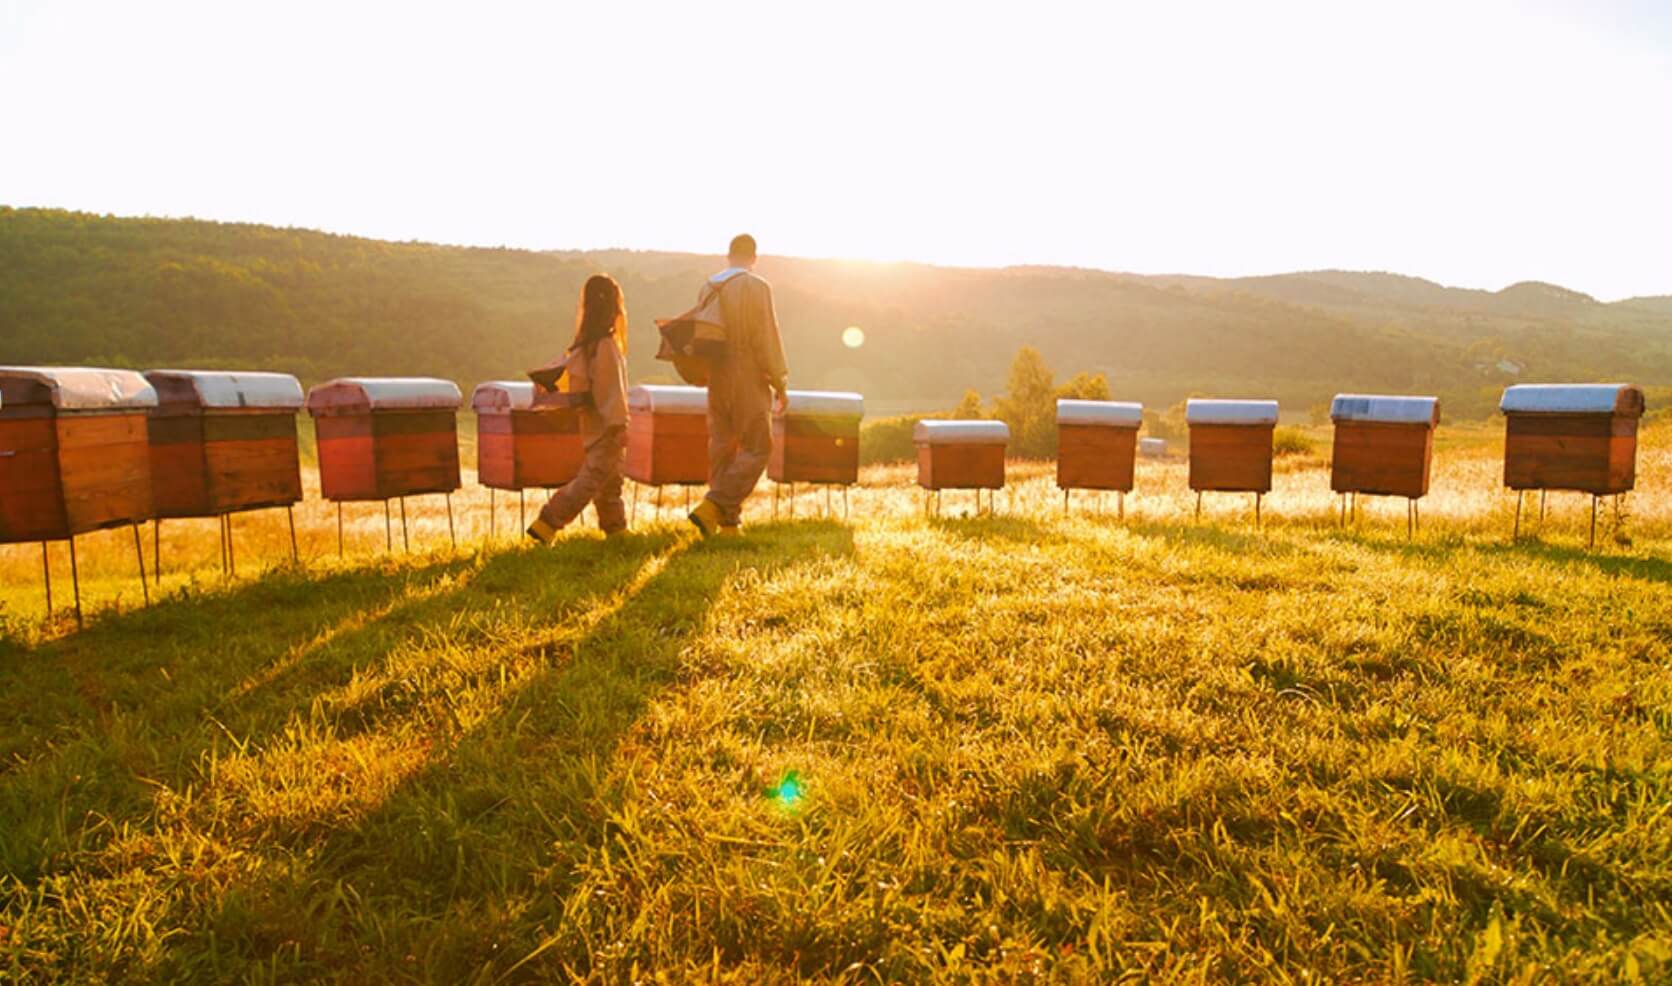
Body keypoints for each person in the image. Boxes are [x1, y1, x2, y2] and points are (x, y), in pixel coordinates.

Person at [688, 234, 788, 536]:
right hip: (747, 372)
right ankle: (713, 505)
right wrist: (779, 380)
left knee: (722, 447)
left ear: (728, 254)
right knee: (758, 447)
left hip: (716, 374)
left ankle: (727, 526)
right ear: (754, 257)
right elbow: (766, 337)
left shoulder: (709, 286)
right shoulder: (757, 286)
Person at [527, 274, 630, 543]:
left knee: (609, 484)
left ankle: (617, 532)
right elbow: (611, 391)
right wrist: (619, 426)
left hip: (592, 426)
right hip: (608, 428)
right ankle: (548, 522)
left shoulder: (584, 346)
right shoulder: (605, 345)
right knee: (590, 481)